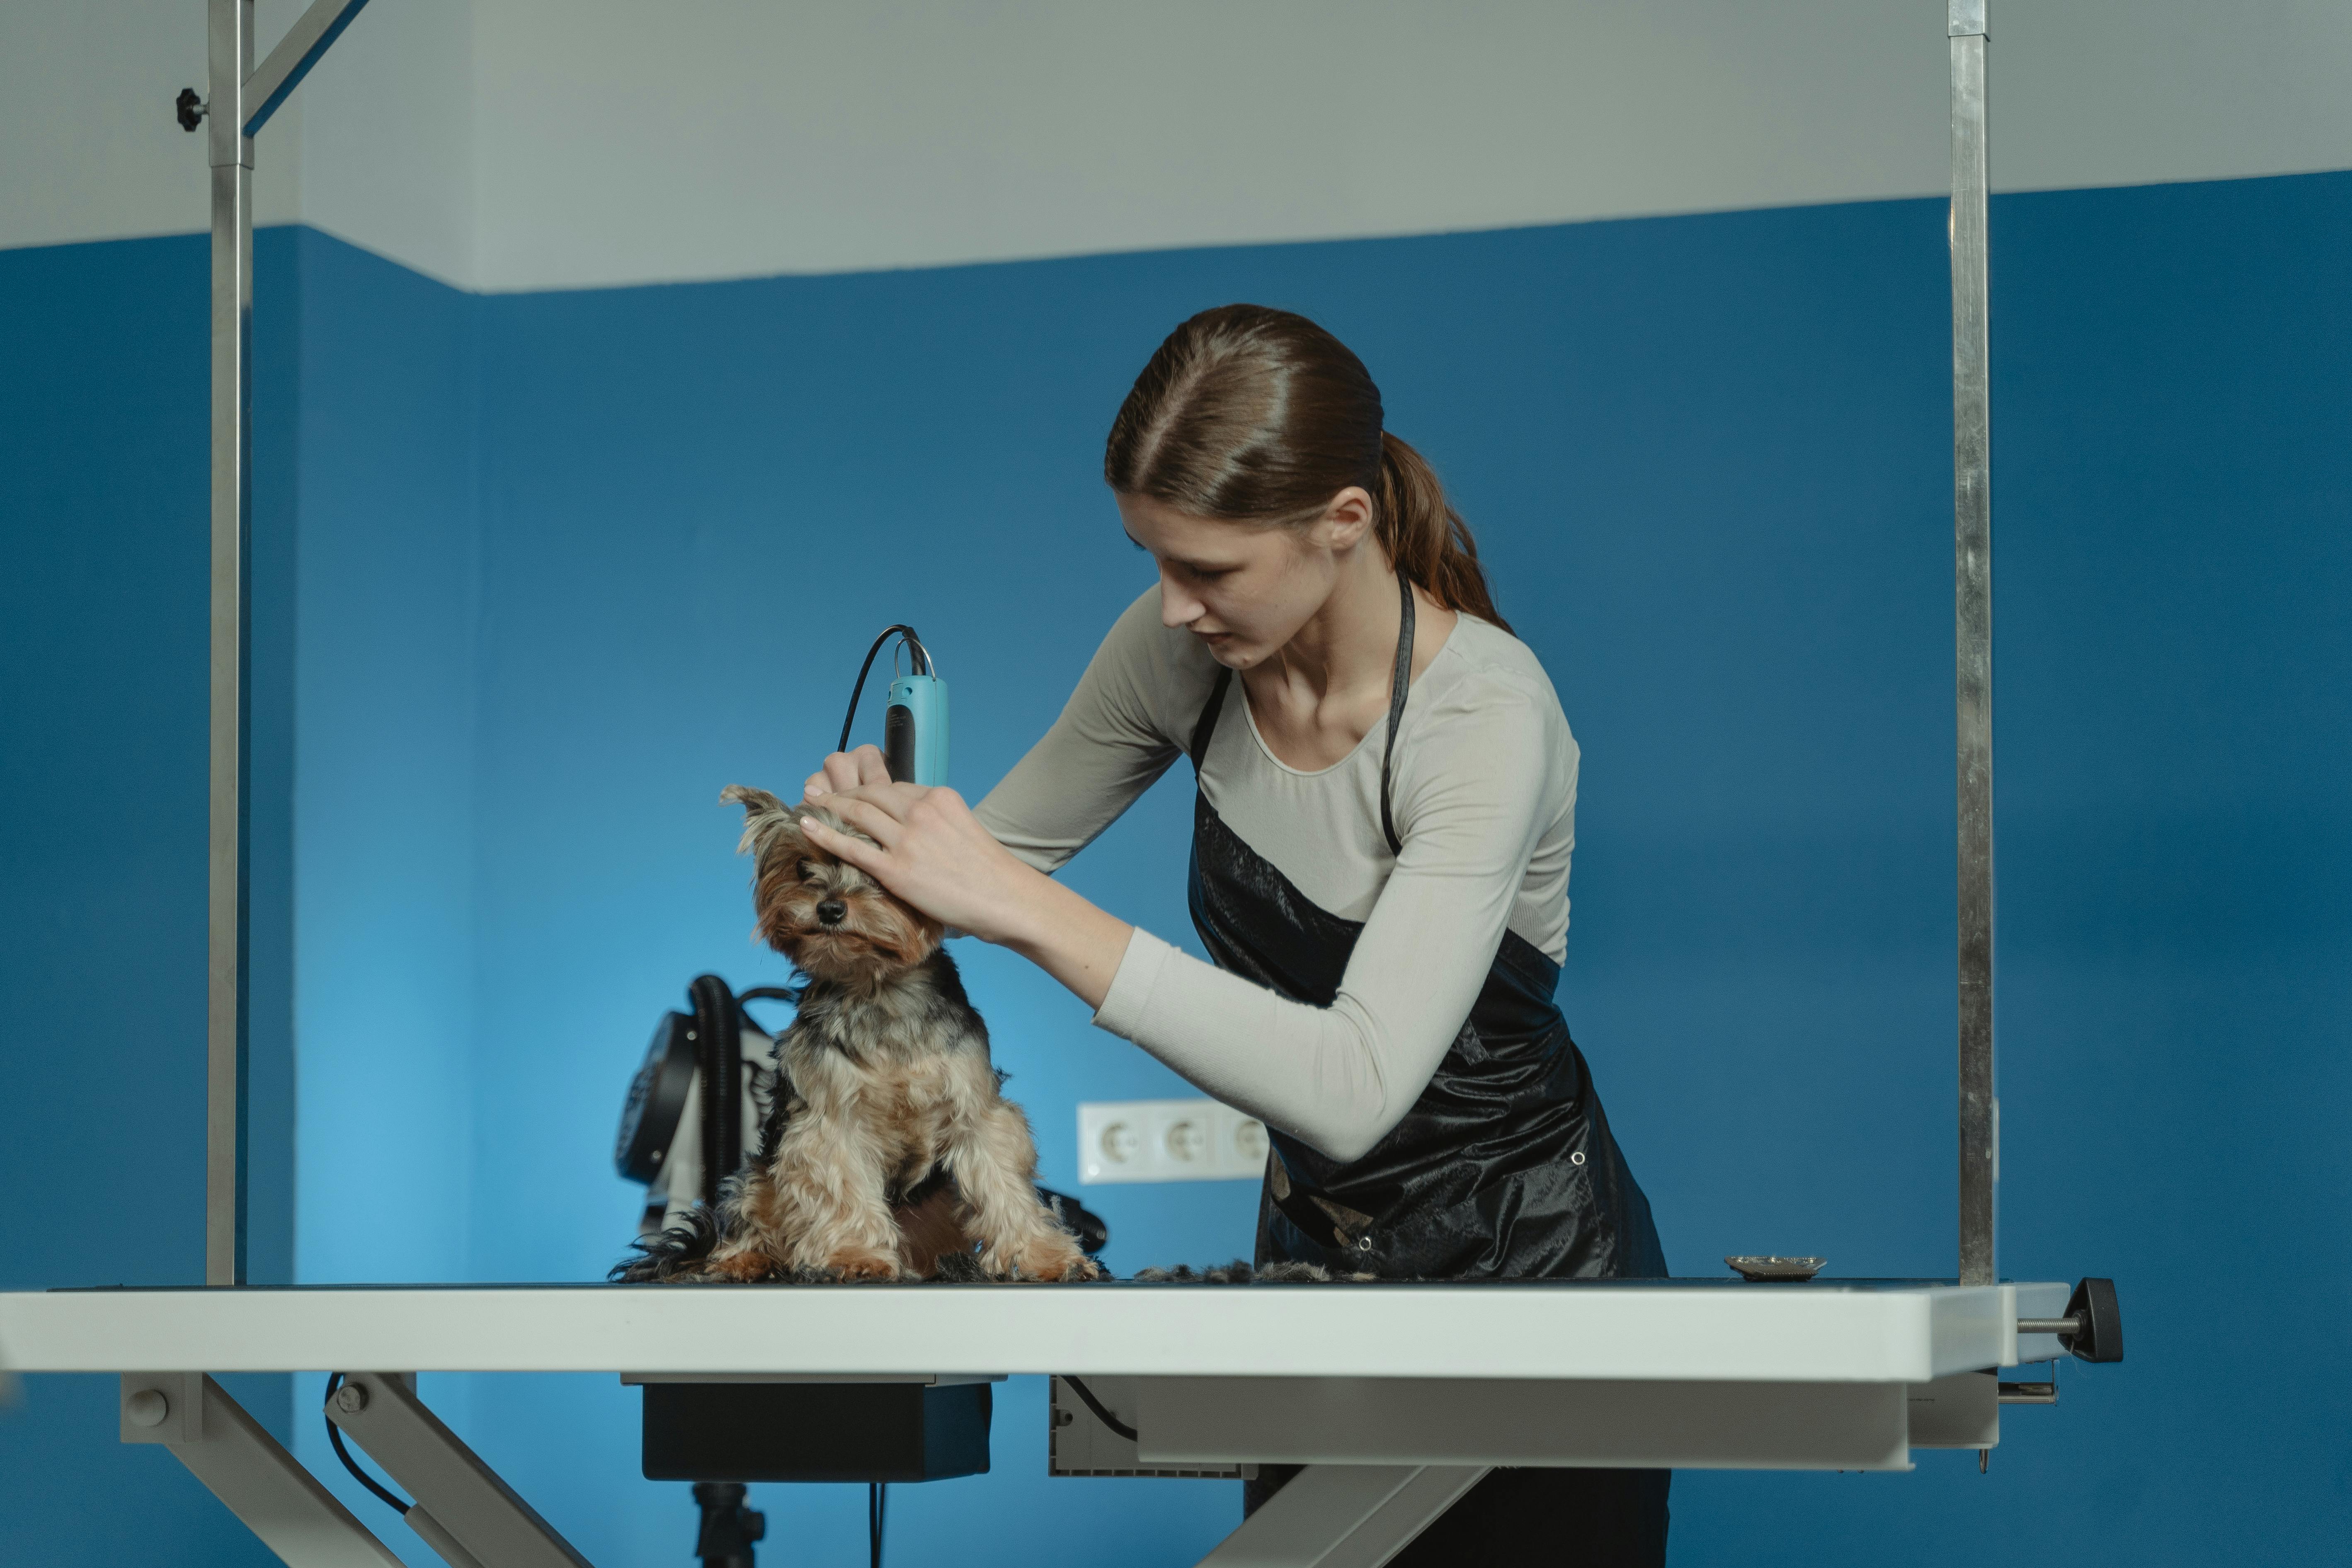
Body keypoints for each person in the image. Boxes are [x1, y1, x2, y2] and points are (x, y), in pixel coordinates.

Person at [799, 303, 1668, 1562]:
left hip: (1531, 1271)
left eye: (1207, 570)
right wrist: (867, 852)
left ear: (1344, 524)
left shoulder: (1482, 714)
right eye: (1153, 561)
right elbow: (973, 876)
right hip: (1316, 1267)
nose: (1170, 608)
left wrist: (1012, 903)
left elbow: (1355, 1087)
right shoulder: (1185, 659)